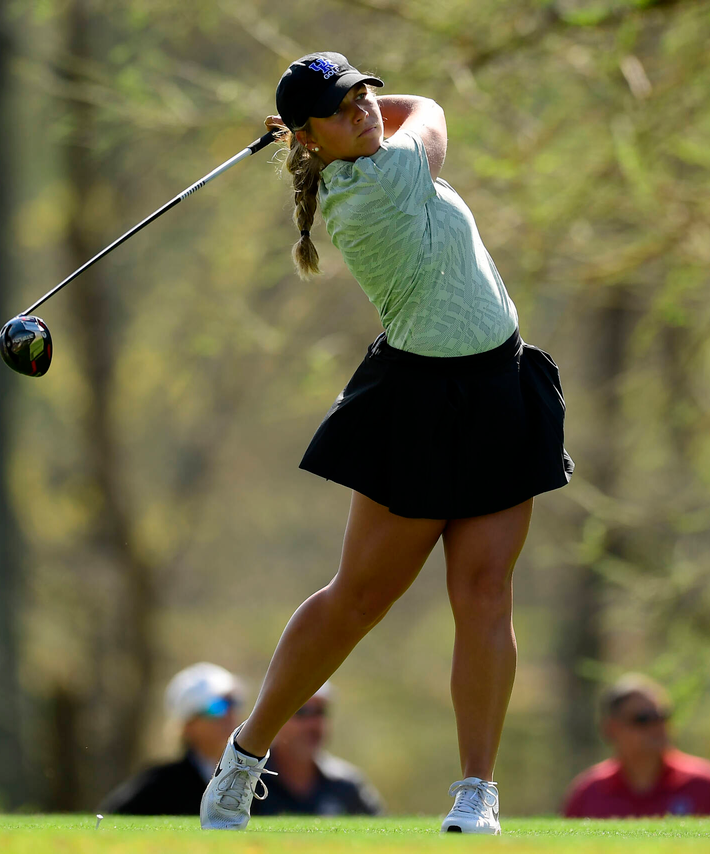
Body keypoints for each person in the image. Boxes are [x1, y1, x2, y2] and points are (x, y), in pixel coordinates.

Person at [198, 52, 573, 835]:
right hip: (424, 405)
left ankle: (476, 791)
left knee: (486, 594)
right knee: (359, 599)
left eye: (365, 94)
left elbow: (399, 112)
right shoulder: (379, 187)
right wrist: (330, 124)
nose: (366, 109)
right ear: (310, 138)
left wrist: (314, 126)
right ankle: (243, 759)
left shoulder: (365, 153)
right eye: (341, 109)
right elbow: (429, 108)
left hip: (499, 388)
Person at [561, 674, 710, 819]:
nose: (657, 726)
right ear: (611, 729)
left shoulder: (707, 785)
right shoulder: (589, 794)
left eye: (662, 716)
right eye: (643, 719)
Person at [98, 662, 241, 815]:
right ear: (187, 725)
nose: (229, 714)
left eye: (232, 703)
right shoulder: (160, 786)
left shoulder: (258, 780)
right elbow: (110, 817)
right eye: (216, 707)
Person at [251, 683, 383, 817]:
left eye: (320, 712)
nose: (313, 724)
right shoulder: (249, 779)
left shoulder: (347, 785)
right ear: (274, 718)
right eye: (301, 711)